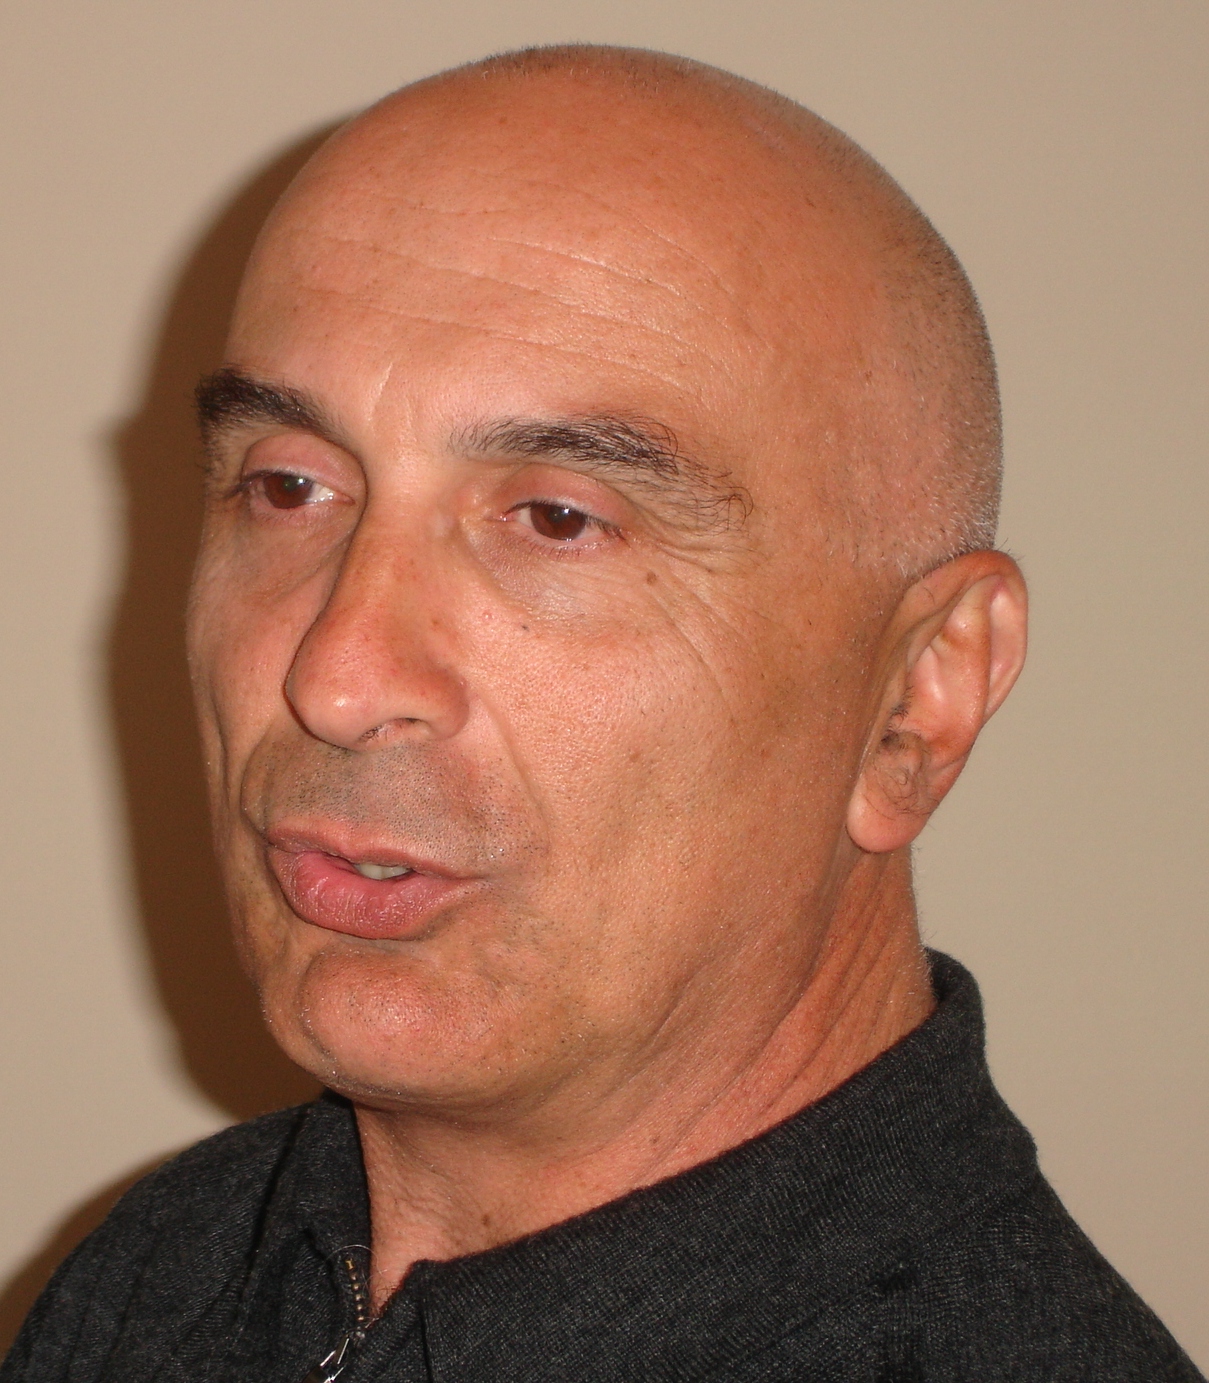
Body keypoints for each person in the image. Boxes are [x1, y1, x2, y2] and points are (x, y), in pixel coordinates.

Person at [2, 43, 1200, 1383]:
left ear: (916, 699)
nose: (336, 678)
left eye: (557, 520)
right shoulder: (172, 1268)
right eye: (288, 487)